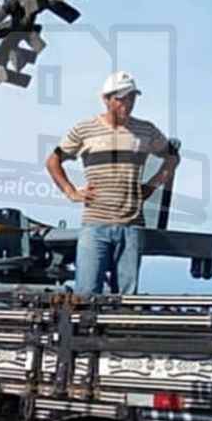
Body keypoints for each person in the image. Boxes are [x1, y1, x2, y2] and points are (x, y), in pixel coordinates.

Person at [45, 70, 178, 296]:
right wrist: (71, 192)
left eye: (132, 98)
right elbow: (53, 161)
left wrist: (154, 184)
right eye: (121, 98)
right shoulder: (84, 130)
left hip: (131, 226)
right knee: (86, 293)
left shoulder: (146, 130)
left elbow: (172, 157)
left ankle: (121, 331)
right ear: (106, 99)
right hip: (95, 226)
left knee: (126, 297)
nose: (127, 103)